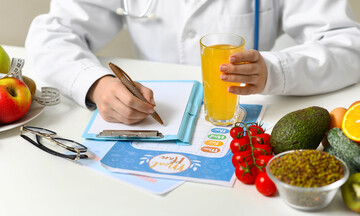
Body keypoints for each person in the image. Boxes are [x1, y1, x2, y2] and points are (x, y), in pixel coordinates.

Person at [25, 0, 360, 124]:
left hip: (246, 113)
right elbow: (51, 33)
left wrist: (275, 69)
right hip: (155, 113)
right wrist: (95, 84)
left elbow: (349, 44)